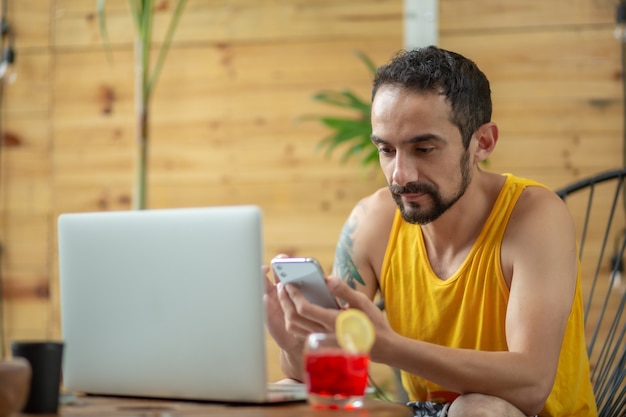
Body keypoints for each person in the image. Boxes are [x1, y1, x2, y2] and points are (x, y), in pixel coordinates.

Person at [264, 46, 597, 417]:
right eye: (387, 150)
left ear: (482, 143)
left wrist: (388, 347)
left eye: (424, 149)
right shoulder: (372, 220)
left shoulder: (536, 216)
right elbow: (324, 376)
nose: (400, 175)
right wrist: (293, 341)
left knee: (477, 409)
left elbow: (532, 385)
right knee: (287, 393)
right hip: (425, 412)